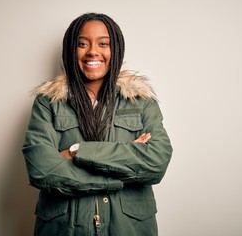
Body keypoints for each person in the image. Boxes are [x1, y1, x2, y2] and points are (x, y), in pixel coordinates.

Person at [22, 12, 173, 236]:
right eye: (82, 44)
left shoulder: (141, 101)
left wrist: (77, 151)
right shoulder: (48, 103)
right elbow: (41, 169)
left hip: (128, 229)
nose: (93, 51)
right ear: (70, 50)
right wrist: (120, 170)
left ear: (116, 49)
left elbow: (156, 161)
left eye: (104, 43)